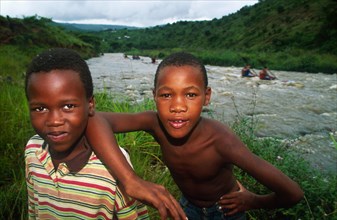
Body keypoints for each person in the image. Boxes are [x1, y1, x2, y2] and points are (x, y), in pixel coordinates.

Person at [87, 52, 304, 219]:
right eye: (166, 95)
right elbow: (94, 118)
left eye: (190, 94)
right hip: (187, 207)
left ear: (206, 96)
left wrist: (253, 201)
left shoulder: (222, 141)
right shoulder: (154, 123)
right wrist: (130, 180)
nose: (178, 106)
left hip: (225, 211)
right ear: (154, 96)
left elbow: (292, 193)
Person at [24, 48, 151, 219]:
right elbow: (33, 209)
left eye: (68, 106)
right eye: (40, 108)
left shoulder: (114, 168)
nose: (54, 121)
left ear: (90, 104)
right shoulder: (32, 150)